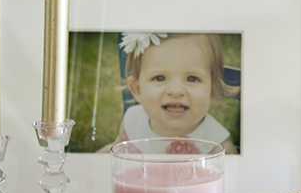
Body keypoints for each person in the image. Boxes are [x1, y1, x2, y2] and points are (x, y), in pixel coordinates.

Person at [101, 33, 238, 154]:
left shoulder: (218, 146)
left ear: (212, 91)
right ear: (137, 90)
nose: (176, 91)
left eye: (192, 78)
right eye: (160, 78)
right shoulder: (132, 123)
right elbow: (114, 152)